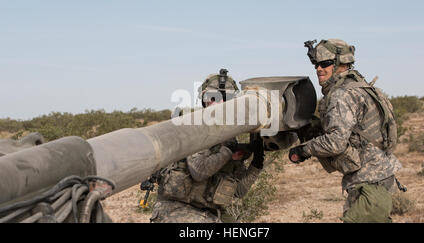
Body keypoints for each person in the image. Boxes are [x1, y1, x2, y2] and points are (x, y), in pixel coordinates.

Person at [290, 39, 404, 223]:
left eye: (325, 63)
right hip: (379, 177)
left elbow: (335, 142)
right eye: (316, 64)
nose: (318, 68)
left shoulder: (342, 95)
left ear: (341, 64)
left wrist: (303, 150)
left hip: (369, 183)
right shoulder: (358, 87)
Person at [149, 69, 265, 223]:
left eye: (226, 98)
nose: (219, 103)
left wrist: (257, 163)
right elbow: (199, 171)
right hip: (176, 209)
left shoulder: (229, 137)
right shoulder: (192, 128)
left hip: (208, 212)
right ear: (204, 100)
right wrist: (228, 153)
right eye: (212, 98)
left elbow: (238, 192)